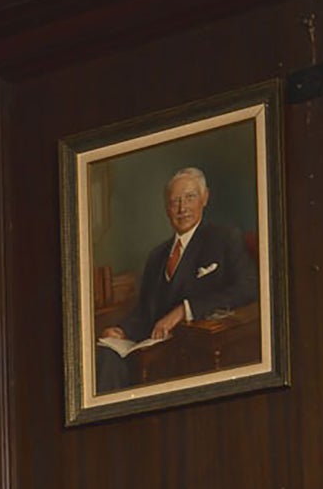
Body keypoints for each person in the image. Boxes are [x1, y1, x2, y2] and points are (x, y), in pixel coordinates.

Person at [95, 165, 259, 393]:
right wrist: (122, 330)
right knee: (106, 355)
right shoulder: (157, 256)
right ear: (166, 208)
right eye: (174, 202)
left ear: (205, 198)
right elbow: (145, 311)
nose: (182, 208)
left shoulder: (223, 239)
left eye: (190, 198)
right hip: (151, 348)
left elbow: (250, 286)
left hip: (196, 349)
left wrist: (185, 309)